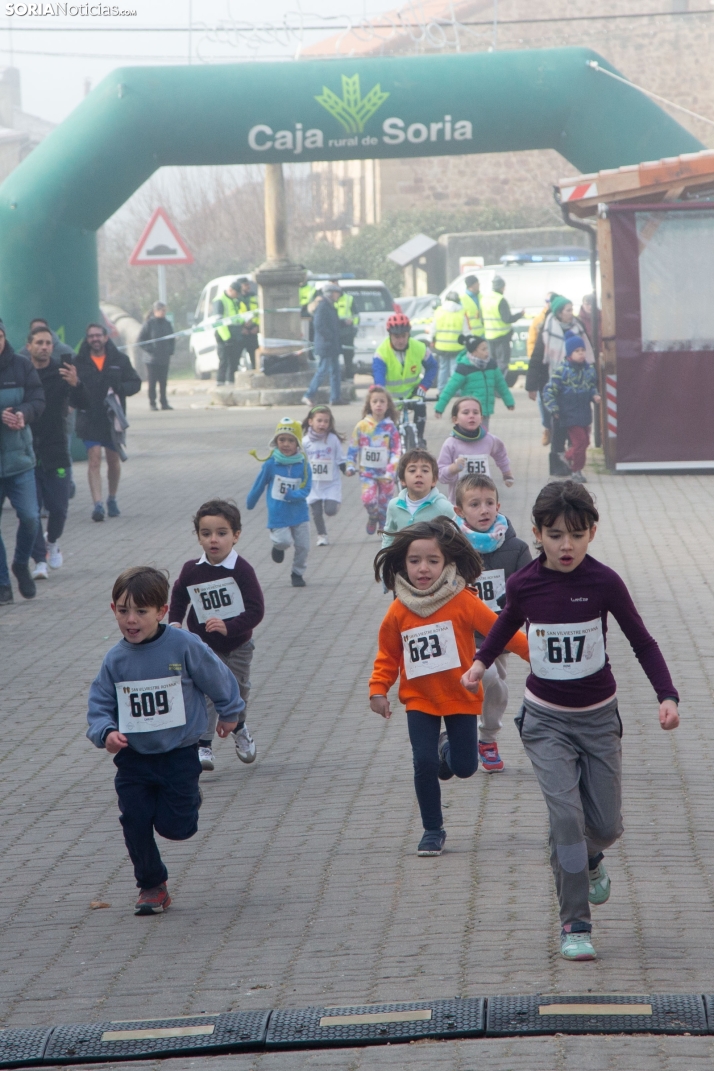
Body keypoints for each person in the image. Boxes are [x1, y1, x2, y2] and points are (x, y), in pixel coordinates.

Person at [462, 481, 680, 961]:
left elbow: (643, 641)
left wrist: (667, 695)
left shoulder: (604, 583)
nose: (566, 546)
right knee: (565, 818)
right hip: (545, 721)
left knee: (604, 825)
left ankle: (592, 855)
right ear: (537, 533)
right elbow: (503, 624)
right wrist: (480, 662)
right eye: (556, 535)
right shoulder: (525, 584)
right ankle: (575, 923)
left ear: (592, 534)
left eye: (576, 535)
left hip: (599, 719)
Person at [86, 566, 244, 915]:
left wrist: (230, 711)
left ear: (161, 612)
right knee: (135, 820)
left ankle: (187, 800)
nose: (132, 620)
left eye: (141, 612)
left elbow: (217, 676)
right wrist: (105, 733)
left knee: (177, 828)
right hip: (134, 757)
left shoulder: (184, 645)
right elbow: (99, 704)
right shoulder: (115, 660)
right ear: (113, 610)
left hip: (178, 753)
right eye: (124, 611)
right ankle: (151, 885)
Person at [369, 518, 529, 856]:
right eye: (414, 561)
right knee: (422, 764)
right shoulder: (398, 610)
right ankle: (432, 830)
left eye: (432, 560)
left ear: (448, 562)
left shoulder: (462, 601)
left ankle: (447, 750)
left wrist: (537, 657)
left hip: (460, 695)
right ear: (402, 564)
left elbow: (501, 631)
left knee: (465, 767)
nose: (423, 569)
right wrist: (378, 689)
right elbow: (387, 654)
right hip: (419, 700)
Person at [168, 499, 264, 772]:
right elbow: (178, 597)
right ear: (198, 536)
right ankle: (204, 744)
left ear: (236, 535)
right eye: (206, 533)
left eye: (222, 533)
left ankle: (240, 728)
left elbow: (256, 610)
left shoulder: (242, 570)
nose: (214, 540)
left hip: (238, 645)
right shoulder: (191, 570)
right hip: (203, 647)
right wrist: (174, 622)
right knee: (208, 694)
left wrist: (229, 627)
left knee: (237, 690)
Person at [453, 474, 531, 772]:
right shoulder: (451, 549)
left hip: (498, 637)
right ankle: (461, 734)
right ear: (459, 511)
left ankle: (487, 737)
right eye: (475, 504)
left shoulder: (515, 548)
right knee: (482, 681)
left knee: (495, 688)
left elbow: (529, 590)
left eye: (489, 503)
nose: (484, 510)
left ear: (498, 505)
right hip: (462, 636)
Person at [24, 325, 88, 580]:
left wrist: (76, 384)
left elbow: (84, 403)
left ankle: (53, 543)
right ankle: (39, 559)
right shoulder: (22, 371)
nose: (44, 347)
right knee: (31, 511)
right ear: (29, 346)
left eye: (48, 343)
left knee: (59, 508)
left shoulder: (60, 373)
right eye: (39, 342)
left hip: (56, 449)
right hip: (27, 450)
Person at [74, 323, 141, 522]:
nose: (95, 339)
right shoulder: (79, 362)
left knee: (113, 460)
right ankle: (98, 504)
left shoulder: (119, 360)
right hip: (89, 418)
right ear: (87, 340)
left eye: (98, 335)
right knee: (94, 460)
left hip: (112, 419)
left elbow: (135, 383)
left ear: (105, 337)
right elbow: (71, 387)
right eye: (91, 336)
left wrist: (121, 388)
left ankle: (112, 498)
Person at [0, 319, 45, 604]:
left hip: (20, 461)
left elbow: (38, 398)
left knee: (30, 517)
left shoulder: (21, 365)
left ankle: (20, 564)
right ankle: (3, 582)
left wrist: (23, 414)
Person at [526, 295, 593, 477]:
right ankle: (558, 462)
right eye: (568, 310)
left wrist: (595, 387)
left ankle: (572, 460)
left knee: (578, 428)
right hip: (554, 384)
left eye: (572, 309)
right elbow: (537, 357)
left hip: (577, 388)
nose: (571, 313)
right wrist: (531, 385)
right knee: (558, 426)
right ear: (559, 312)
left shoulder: (578, 326)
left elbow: (589, 351)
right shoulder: (548, 330)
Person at [247, 417, 312, 587]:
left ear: (297, 443)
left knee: (303, 546)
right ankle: (278, 548)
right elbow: (259, 484)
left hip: (299, 512)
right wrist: (251, 501)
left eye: (291, 440)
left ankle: (297, 573)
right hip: (278, 512)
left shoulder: (304, 464)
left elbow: (307, 489)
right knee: (283, 541)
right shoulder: (271, 464)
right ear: (276, 441)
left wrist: (295, 495)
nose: (286, 444)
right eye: (282, 439)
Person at [372, 312, 437, 449]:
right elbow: (379, 380)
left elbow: (432, 367)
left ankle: (419, 438)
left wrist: (424, 387)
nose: (400, 340)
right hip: (389, 396)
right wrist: (381, 397)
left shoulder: (419, 347)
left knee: (420, 404)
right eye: (396, 337)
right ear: (390, 335)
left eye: (403, 336)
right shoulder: (381, 353)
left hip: (412, 392)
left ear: (409, 334)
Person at [543, 336, 601, 484]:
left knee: (586, 442)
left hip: (584, 413)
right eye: (577, 351)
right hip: (568, 413)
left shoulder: (589, 370)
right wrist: (554, 408)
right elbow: (549, 391)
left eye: (583, 350)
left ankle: (567, 457)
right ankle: (576, 470)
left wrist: (594, 395)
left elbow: (591, 386)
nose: (581, 353)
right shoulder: (562, 371)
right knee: (580, 442)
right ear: (569, 354)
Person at [346, 386, 401, 536]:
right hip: (367, 473)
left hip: (386, 475)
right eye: (375, 401)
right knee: (368, 500)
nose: (378, 404)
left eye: (382, 401)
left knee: (385, 505)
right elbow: (353, 447)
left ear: (387, 405)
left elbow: (397, 450)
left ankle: (383, 532)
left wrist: (391, 470)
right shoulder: (362, 426)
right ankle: (372, 516)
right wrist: (350, 465)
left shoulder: (391, 428)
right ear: (369, 404)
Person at [436, 396, 514, 503]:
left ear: (481, 418)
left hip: (485, 499)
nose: (471, 416)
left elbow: (500, 454)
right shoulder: (451, 444)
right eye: (466, 412)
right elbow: (441, 476)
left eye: (475, 412)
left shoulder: (489, 439)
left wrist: (507, 474)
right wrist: (453, 468)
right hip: (459, 504)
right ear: (455, 419)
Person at [434, 334, 514, 430]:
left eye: (487, 348)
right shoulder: (464, 367)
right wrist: (439, 408)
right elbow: (450, 389)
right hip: (470, 412)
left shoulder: (491, 365)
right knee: (472, 437)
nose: (487, 352)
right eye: (483, 349)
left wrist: (509, 402)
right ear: (474, 352)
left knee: (483, 437)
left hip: (485, 411)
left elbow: (501, 385)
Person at [381, 448, 455, 548]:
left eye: (425, 470)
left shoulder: (444, 507)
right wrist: (385, 559)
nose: (419, 474)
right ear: (403, 480)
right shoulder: (394, 506)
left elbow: (458, 535)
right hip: (403, 562)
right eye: (412, 470)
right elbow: (389, 534)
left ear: (434, 480)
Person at [301, 405, 347, 546]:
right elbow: (300, 461)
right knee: (316, 512)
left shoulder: (333, 440)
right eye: (319, 420)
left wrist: (346, 470)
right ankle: (322, 535)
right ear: (310, 422)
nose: (322, 424)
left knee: (330, 511)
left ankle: (335, 504)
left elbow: (340, 459)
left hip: (331, 483)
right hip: (313, 484)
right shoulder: (305, 442)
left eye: (326, 421)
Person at [302, 283, 343, 407]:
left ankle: (335, 397)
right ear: (331, 293)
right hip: (326, 345)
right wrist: (330, 337)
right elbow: (319, 325)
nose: (338, 295)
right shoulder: (323, 306)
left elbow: (334, 323)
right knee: (323, 370)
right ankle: (309, 395)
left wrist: (344, 323)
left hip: (332, 345)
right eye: (336, 293)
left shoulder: (330, 306)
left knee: (336, 371)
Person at [525, 293, 558, 447]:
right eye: (546, 301)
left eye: (551, 301)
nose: (548, 304)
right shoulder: (540, 320)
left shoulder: (567, 321)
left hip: (559, 373)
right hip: (543, 371)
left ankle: (558, 434)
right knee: (543, 402)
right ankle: (547, 428)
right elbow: (532, 341)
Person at [480, 275, 524, 375]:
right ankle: (498, 386)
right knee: (502, 363)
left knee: (491, 362)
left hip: (489, 337)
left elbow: (482, 319)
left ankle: (492, 385)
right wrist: (520, 315)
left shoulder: (484, 299)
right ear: (501, 287)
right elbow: (507, 319)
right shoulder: (500, 300)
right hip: (502, 337)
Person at [137, 302, 176, 411]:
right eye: (162, 310)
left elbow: (172, 339)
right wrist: (150, 349)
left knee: (163, 382)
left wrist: (170, 350)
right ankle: (152, 402)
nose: (164, 313)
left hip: (164, 358)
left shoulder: (167, 324)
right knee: (152, 382)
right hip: (151, 359)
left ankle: (164, 402)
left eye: (165, 311)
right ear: (156, 311)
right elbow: (140, 340)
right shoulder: (149, 324)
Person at [430, 291, 469, 393]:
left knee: (443, 369)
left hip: (441, 346)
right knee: (454, 369)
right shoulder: (461, 312)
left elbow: (433, 329)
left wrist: (431, 340)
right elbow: (466, 331)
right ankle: (455, 390)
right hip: (456, 347)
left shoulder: (439, 311)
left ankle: (441, 389)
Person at [213, 279, 245, 386]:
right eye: (236, 293)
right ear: (230, 290)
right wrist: (227, 338)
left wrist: (243, 322)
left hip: (235, 334)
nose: (237, 296)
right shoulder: (220, 300)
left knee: (234, 361)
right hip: (224, 335)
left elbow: (236, 317)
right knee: (224, 361)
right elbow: (219, 322)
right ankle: (220, 383)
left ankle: (231, 382)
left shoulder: (234, 300)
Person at [330, 278, 359, 381]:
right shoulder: (329, 301)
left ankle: (350, 377)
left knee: (348, 356)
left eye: (335, 287)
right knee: (334, 357)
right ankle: (337, 378)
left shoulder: (348, 298)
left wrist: (354, 328)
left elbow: (356, 315)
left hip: (347, 332)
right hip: (335, 332)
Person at [237, 279, 260, 371]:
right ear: (240, 286)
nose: (248, 287)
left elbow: (259, 313)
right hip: (241, 332)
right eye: (245, 285)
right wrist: (241, 328)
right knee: (236, 356)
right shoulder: (236, 299)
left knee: (254, 355)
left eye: (248, 285)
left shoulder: (254, 296)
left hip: (253, 331)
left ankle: (256, 370)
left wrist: (257, 327)